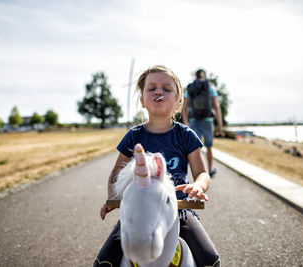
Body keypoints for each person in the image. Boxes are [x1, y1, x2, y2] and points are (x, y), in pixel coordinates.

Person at [94, 65, 220, 267]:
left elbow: (202, 173)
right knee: (103, 263)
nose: (158, 91)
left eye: (166, 88)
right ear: (143, 100)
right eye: (151, 88)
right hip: (139, 211)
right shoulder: (133, 136)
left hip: (179, 211)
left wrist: (198, 186)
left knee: (210, 260)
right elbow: (116, 175)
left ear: (179, 101)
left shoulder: (186, 135)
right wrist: (113, 198)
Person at [183, 69, 223, 178]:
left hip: (193, 120)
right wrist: (220, 124)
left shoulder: (190, 88)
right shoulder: (209, 88)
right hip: (208, 120)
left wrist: (185, 121)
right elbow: (216, 106)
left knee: (194, 148)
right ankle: (209, 171)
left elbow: (185, 106)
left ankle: (194, 174)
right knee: (209, 147)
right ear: (204, 76)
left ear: (195, 77)